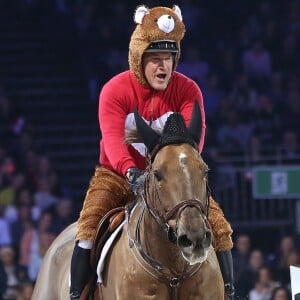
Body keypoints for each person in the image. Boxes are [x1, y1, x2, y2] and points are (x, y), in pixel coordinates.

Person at [69, 5, 234, 300]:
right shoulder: (114, 90)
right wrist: (132, 172)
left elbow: (193, 140)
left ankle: (231, 293)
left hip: (171, 179)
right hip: (119, 175)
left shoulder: (188, 90)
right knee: (87, 227)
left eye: (169, 59)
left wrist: (176, 171)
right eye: (155, 59)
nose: (163, 67)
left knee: (220, 228)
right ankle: (76, 295)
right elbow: (112, 139)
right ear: (138, 59)